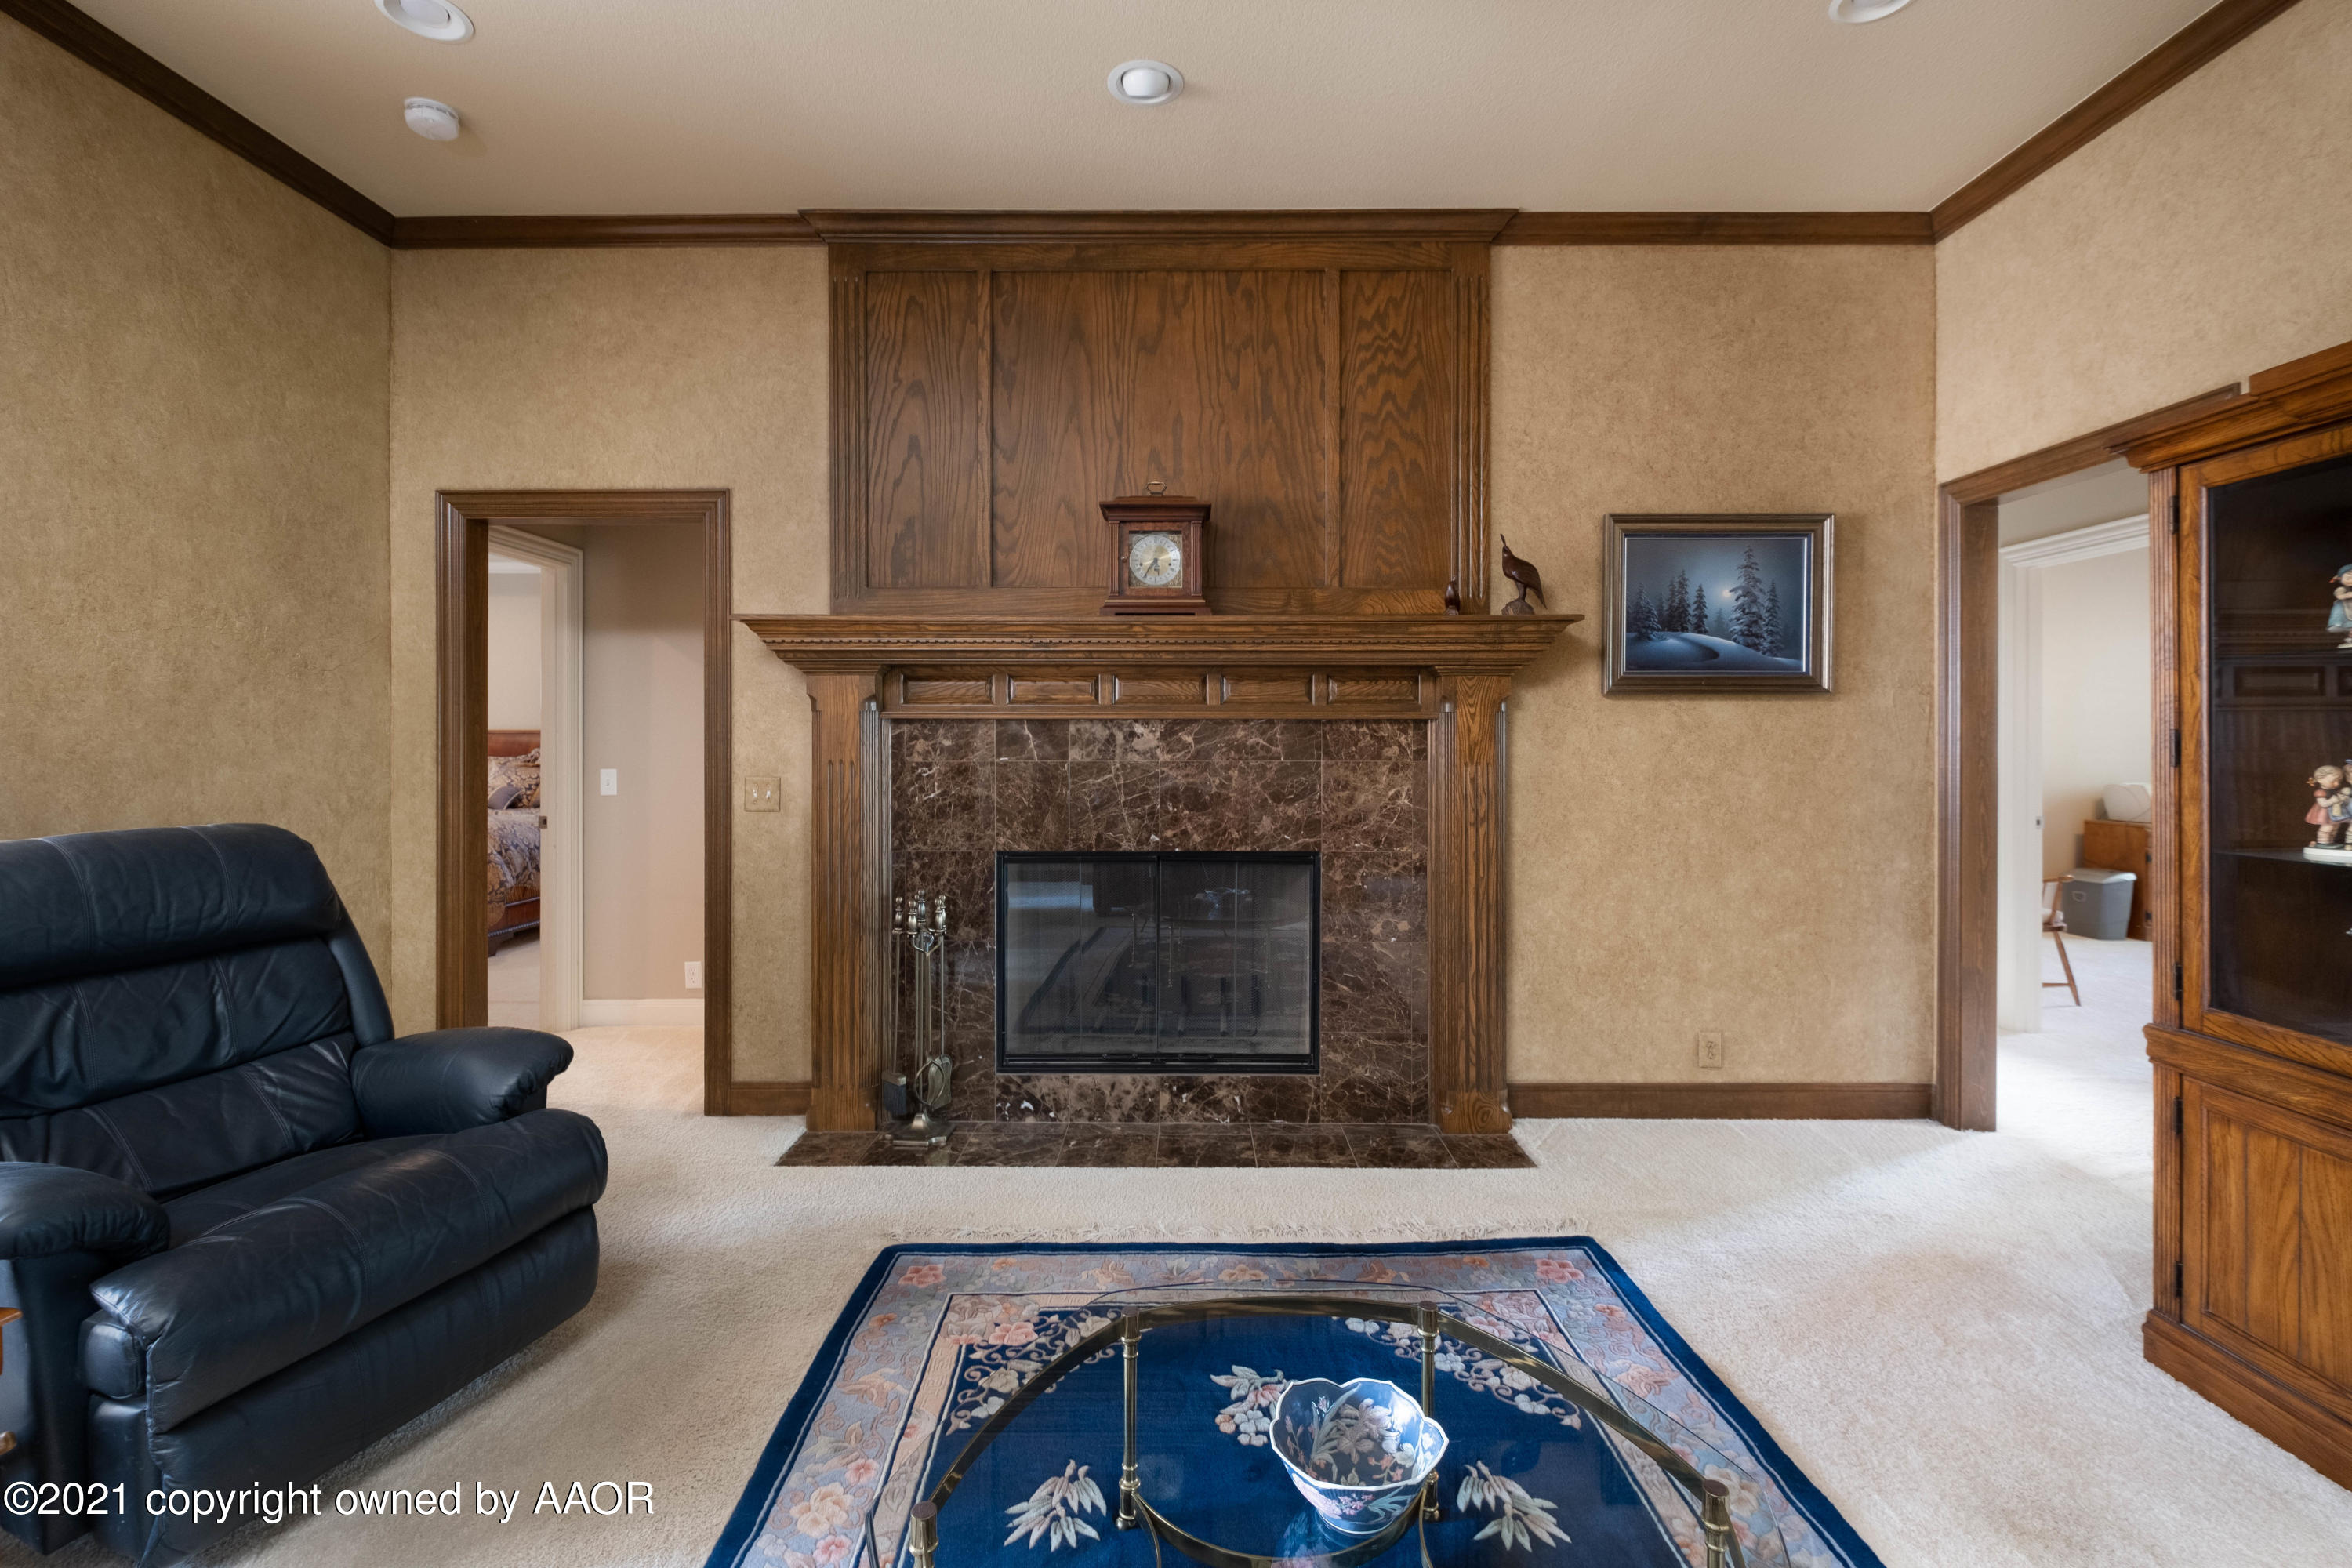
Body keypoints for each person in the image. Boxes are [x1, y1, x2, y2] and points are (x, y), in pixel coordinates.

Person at [2307, 763, 2352, 846]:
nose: (2337, 784)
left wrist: (2342, 798)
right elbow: (2323, 804)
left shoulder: (2334, 790)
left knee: (2335, 828)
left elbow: (2339, 798)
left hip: (2334, 814)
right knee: (2327, 828)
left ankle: (2330, 842)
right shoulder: (2320, 792)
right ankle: (2322, 842)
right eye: (2334, 781)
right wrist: (2333, 800)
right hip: (2325, 814)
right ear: (2321, 779)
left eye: (2338, 781)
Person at [2330, 564, 2352, 648]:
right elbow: (2339, 596)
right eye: (2348, 578)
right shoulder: (2342, 589)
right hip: (2346, 610)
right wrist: (2347, 595)